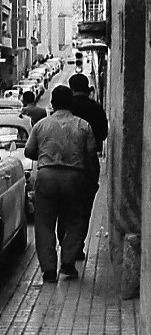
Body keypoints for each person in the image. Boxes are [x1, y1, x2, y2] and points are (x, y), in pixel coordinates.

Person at [25, 85, 96, 283]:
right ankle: (67, 263)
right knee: (75, 220)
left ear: (52, 103)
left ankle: (48, 270)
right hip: (74, 178)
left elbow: (29, 151)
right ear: (71, 103)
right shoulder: (83, 126)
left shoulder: (41, 125)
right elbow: (90, 155)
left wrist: (45, 153)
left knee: (44, 224)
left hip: (46, 177)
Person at [69, 73, 108, 260]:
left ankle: (67, 246)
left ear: (72, 88)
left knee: (66, 209)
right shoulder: (95, 107)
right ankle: (78, 246)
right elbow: (104, 133)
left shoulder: (67, 107)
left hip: (67, 164)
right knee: (84, 208)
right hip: (89, 164)